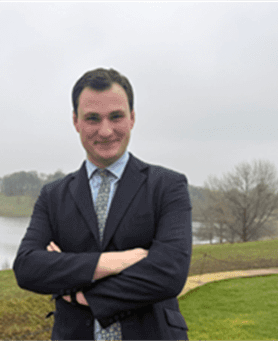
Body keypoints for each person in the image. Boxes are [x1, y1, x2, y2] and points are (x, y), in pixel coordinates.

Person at [13, 68, 192, 340]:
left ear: (132, 118)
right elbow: (28, 268)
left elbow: (169, 273)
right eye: (92, 118)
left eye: (116, 116)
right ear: (76, 121)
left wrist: (80, 292)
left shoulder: (168, 186)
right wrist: (115, 262)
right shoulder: (53, 195)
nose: (106, 131)